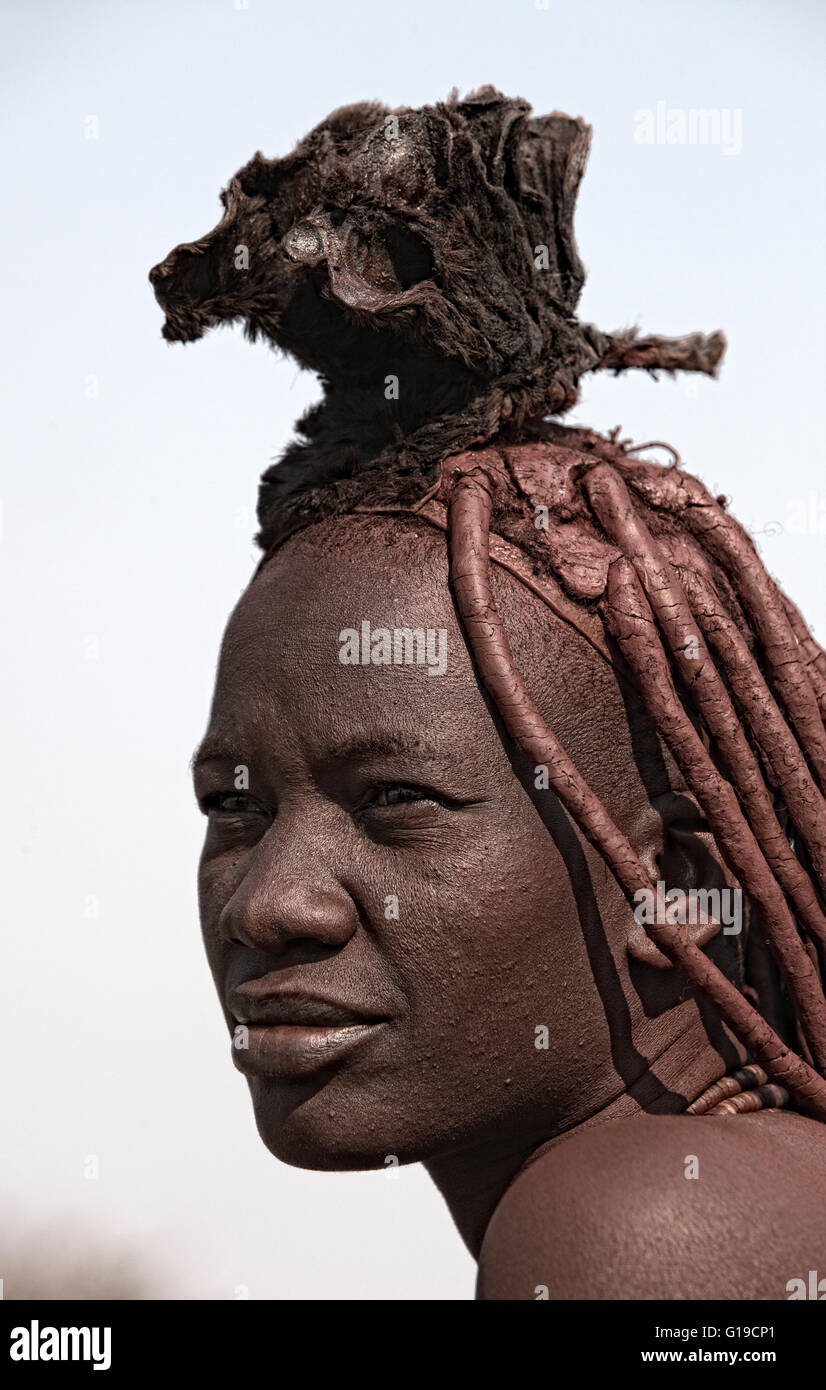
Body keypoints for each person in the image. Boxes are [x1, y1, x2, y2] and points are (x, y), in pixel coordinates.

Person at [150, 87, 826, 1299]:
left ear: (674, 892)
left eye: (397, 796)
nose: (270, 904)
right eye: (235, 805)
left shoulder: (638, 1235)